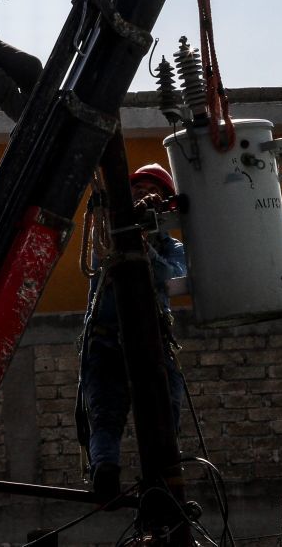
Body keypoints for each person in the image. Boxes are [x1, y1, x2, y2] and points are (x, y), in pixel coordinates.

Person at [77, 163, 188, 501]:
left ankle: (162, 480)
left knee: (167, 412)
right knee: (105, 416)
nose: (143, 200)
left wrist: (145, 245)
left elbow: (169, 275)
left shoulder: (172, 250)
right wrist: (130, 235)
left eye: (152, 195)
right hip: (106, 339)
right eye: (137, 194)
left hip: (153, 342)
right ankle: (104, 472)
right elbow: (106, 265)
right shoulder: (107, 239)